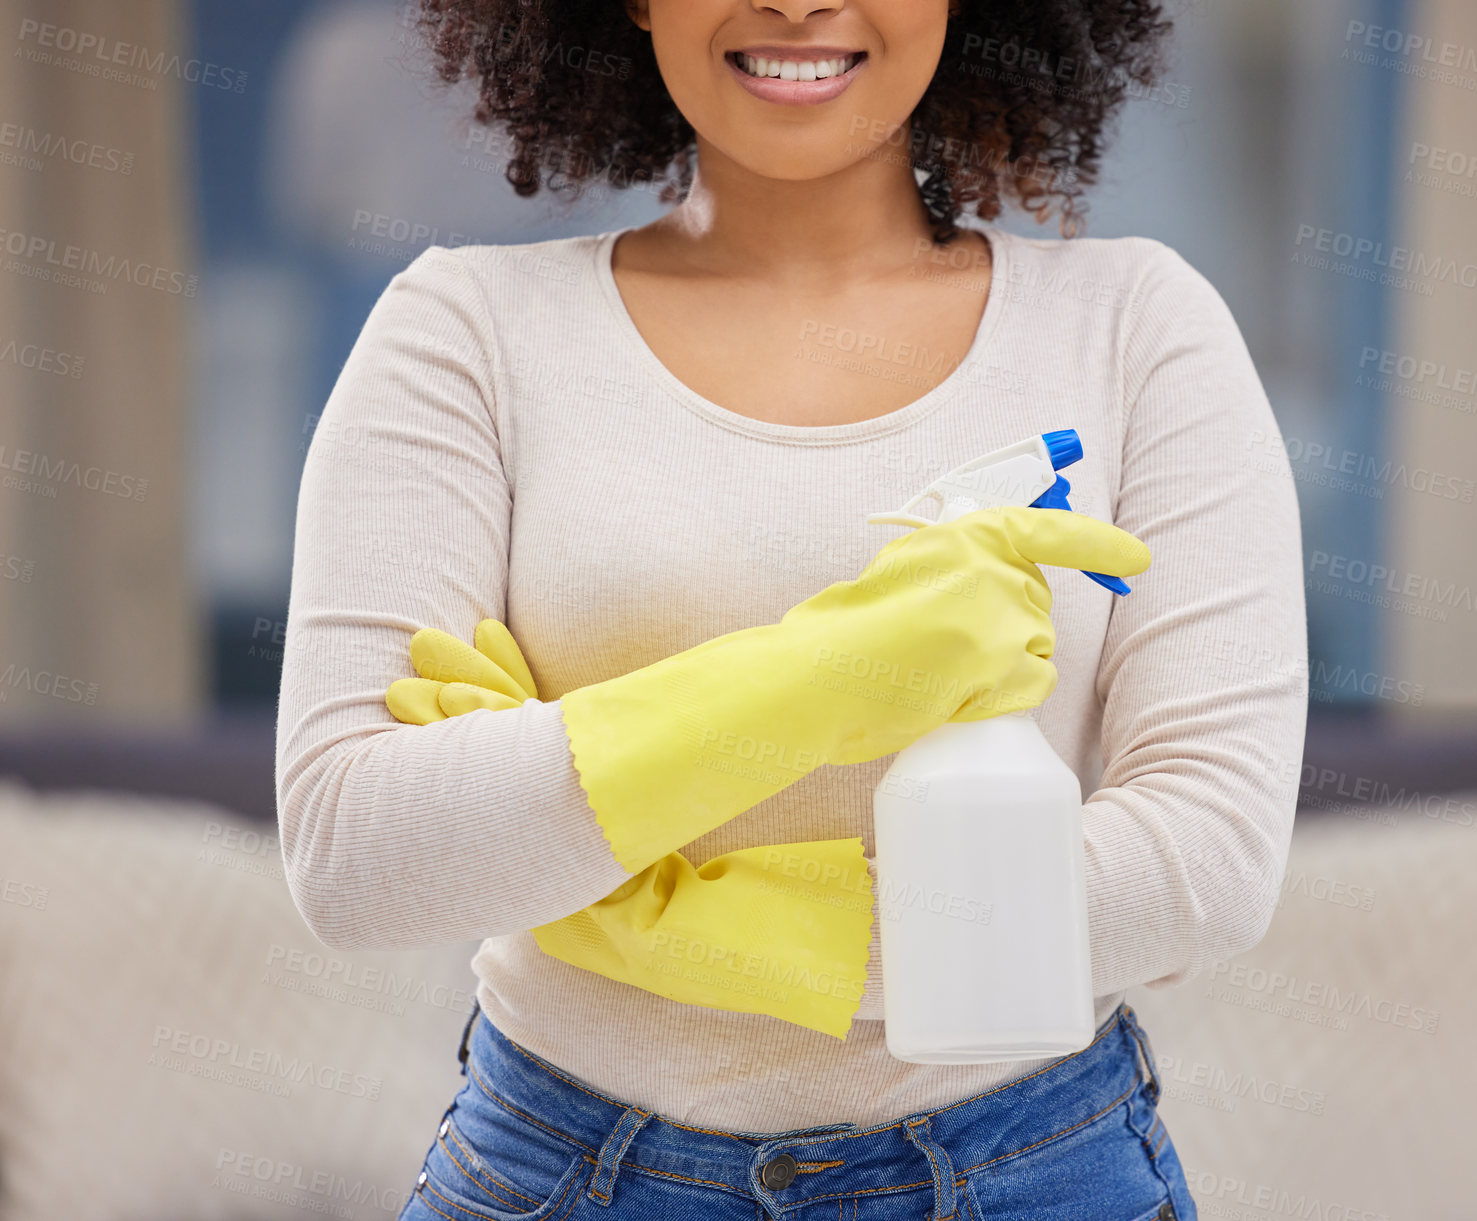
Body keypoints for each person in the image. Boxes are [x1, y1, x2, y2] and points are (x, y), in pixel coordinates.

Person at [274, 1, 1308, 1217]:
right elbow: (360, 850)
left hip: (1033, 1175)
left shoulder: (1135, 326)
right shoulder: (466, 335)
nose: (798, 2)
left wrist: (684, 921)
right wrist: (838, 675)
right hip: (559, 1172)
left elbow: (1203, 863)